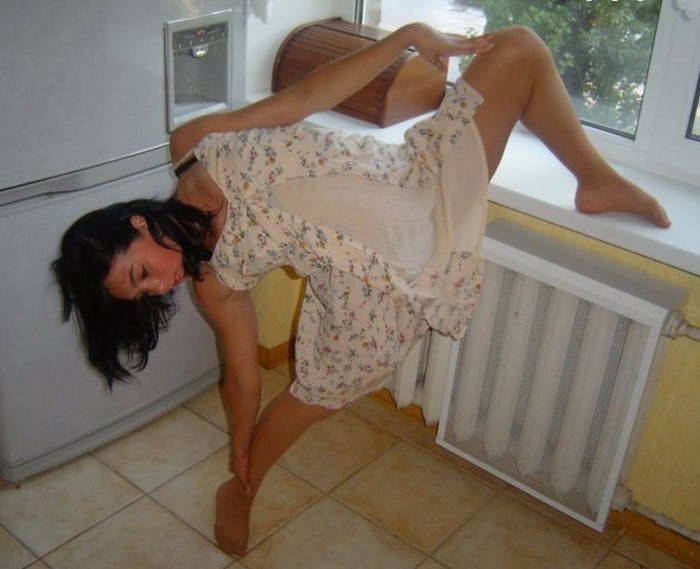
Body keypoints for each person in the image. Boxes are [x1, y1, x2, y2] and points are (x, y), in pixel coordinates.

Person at [53, 23, 670, 556]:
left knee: (520, 47)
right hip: (374, 279)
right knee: (318, 394)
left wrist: (403, 38)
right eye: (146, 293)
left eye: (140, 272)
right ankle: (242, 487)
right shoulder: (214, 280)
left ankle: (596, 178)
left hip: (418, 175)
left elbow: (304, 97)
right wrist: (238, 449)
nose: (162, 284)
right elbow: (242, 376)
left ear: (135, 223)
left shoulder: (193, 149)